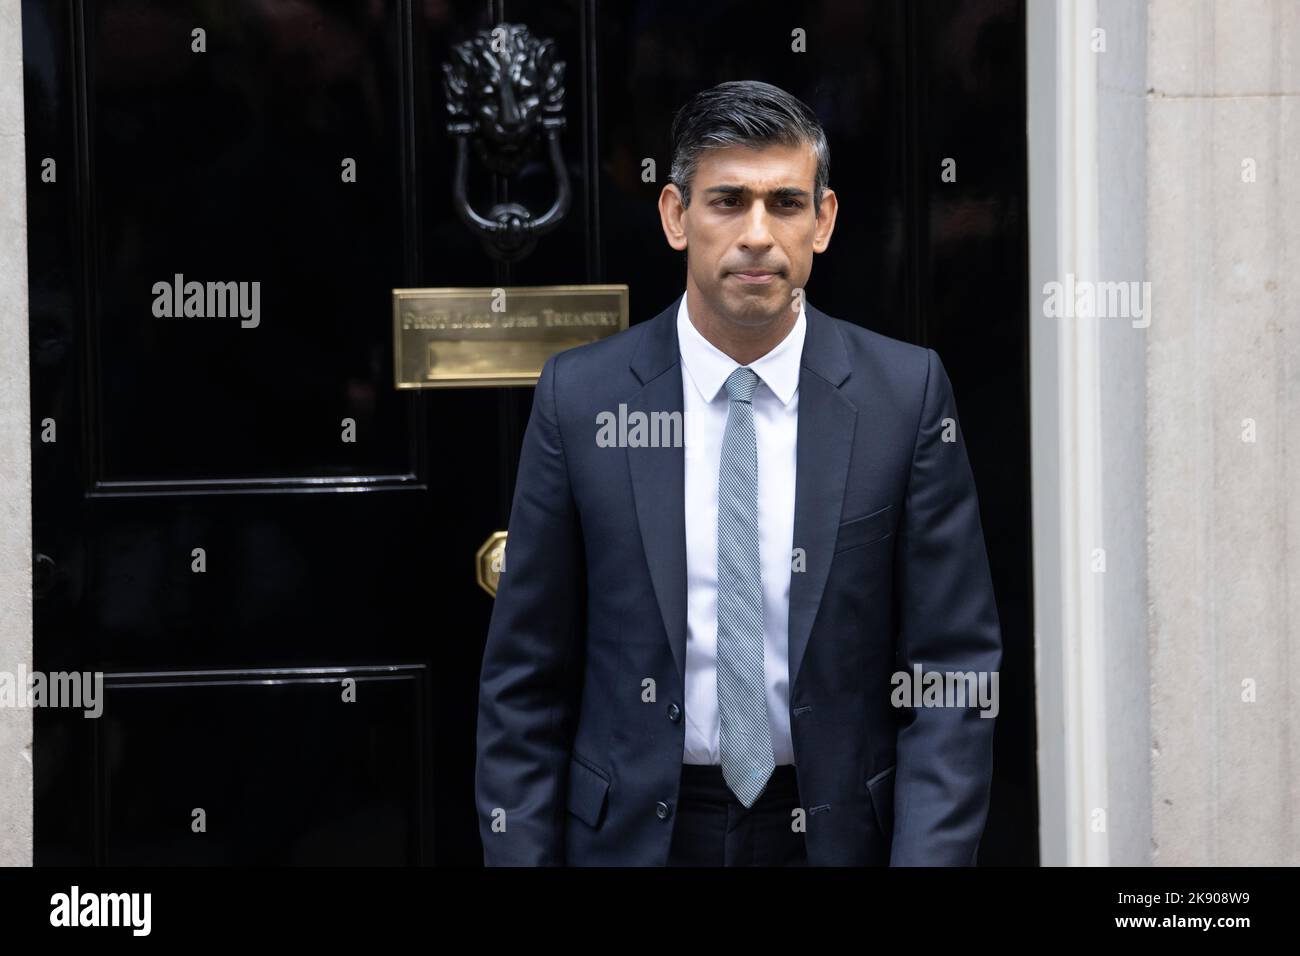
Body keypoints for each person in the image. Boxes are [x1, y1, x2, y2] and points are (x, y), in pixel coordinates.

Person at [475, 79, 1001, 866]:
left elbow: (951, 673)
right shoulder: (581, 399)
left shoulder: (906, 395)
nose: (758, 234)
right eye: (727, 202)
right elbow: (524, 683)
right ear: (675, 216)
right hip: (636, 838)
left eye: (786, 203)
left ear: (823, 222)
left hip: (836, 836)